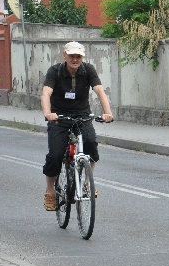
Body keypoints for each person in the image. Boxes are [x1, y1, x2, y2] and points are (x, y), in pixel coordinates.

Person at [41, 41, 114, 211]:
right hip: (58, 116)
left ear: (82, 57)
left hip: (82, 115)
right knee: (55, 154)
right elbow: (46, 93)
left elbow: (99, 91)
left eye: (78, 56)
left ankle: (88, 183)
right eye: (72, 56)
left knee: (90, 143)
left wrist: (107, 112)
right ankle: (50, 191)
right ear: (64, 55)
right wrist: (48, 113)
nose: (75, 59)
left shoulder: (88, 70)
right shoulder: (55, 71)